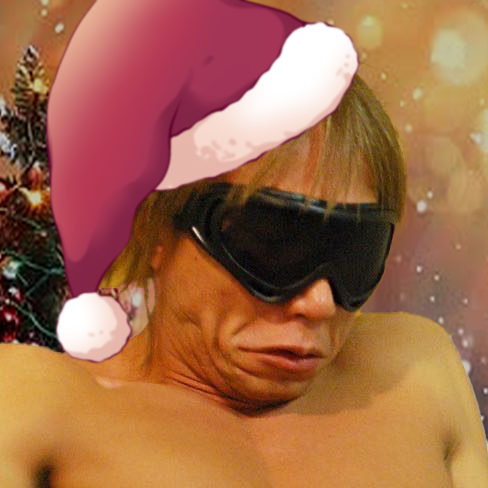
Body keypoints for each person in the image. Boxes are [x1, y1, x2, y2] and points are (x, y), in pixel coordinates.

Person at [2, 73, 488, 487]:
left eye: (355, 252)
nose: (319, 303)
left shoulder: (414, 369)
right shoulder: (37, 400)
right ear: (153, 227)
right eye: (272, 243)